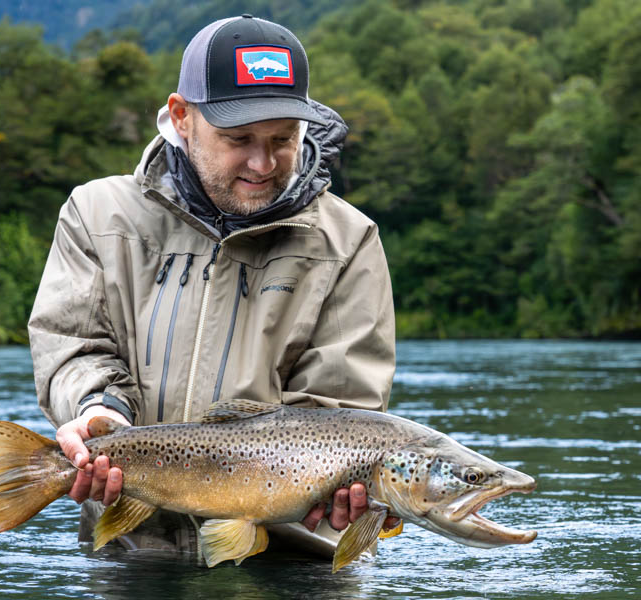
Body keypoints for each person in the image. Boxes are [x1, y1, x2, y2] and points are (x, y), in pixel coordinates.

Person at [28, 14, 396, 558]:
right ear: (182, 117)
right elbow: (74, 346)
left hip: (293, 561)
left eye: (283, 139)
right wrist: (96, 410)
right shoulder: (98, 214)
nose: (262, 163)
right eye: (238, 138)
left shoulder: (348, 240)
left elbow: (339, 408)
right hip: (133, 549)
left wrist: (344, 482)